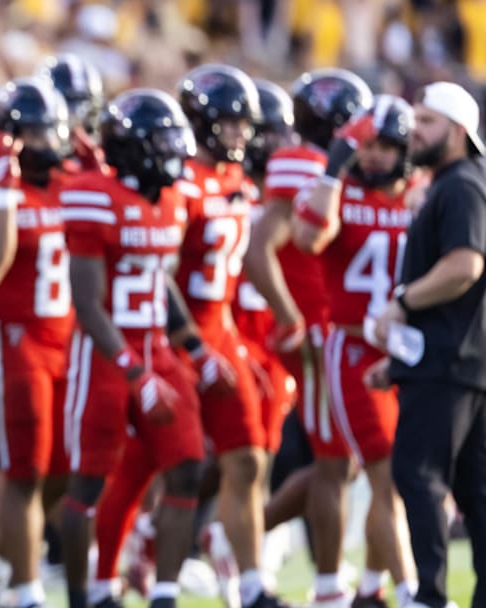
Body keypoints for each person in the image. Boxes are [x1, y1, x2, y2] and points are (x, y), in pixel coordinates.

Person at [57, 89, 206, 608]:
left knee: (189, 464)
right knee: (88, 483)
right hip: (102, 353)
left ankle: (164, 593)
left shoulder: (168, 197)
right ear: (134, 148)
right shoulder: (93, 194)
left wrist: (196, 345)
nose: (173, 152)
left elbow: (156, 277)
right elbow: (87, 302)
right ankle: (84, 596)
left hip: (156, 347)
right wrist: (134, 374)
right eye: (161, 141)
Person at [243, 68, 373, 606]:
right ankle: (327, 586)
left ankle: (244, 540)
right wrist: (293, 317)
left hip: (336, 327)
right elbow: (259, 251)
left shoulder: (325, 164)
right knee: (335, 461)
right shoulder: (303, 164)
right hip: (317, 330)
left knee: (345, 459)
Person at [290, 95, 420, 608]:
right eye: (367, 145)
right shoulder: (337, 190)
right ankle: (412, 592)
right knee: (384, 474)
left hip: (406, 351)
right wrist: (332, 168)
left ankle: (370, 588)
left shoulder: (419, 196)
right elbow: (306, 239)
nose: (374, 156)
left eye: (387, 146)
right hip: (352, 347)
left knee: (403, 475)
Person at [174, 63, 289, 608]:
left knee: (247, 457)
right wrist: (189, 342)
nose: (244, 134)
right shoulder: (180, 180)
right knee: (168, 464)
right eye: (232, 123)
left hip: (224, 331)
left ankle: (250, 582)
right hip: (175, 333)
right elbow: (156, 268)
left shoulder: (239, 180)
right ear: (201, 121)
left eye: (247, 124)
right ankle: (142, 568)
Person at [0, 78, 75, 608]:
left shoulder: (71, 182)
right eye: (30, 132)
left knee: (63, 468)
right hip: (15, 341)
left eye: (48, 130)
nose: (44, 142)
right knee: (24, 471)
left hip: (68, 344)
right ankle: (26, 592)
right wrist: (5, 185)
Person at [373, 81, 486, 608]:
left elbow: (465, 266)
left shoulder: (460, 185)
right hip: (452, 360)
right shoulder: (452, 184)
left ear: (458, 131)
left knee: (416, 474)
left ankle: (431, 596)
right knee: (471, 489)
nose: (414, 131)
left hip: (450, 362)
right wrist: (397, 359)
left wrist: (403, 301)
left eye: (427, 122)